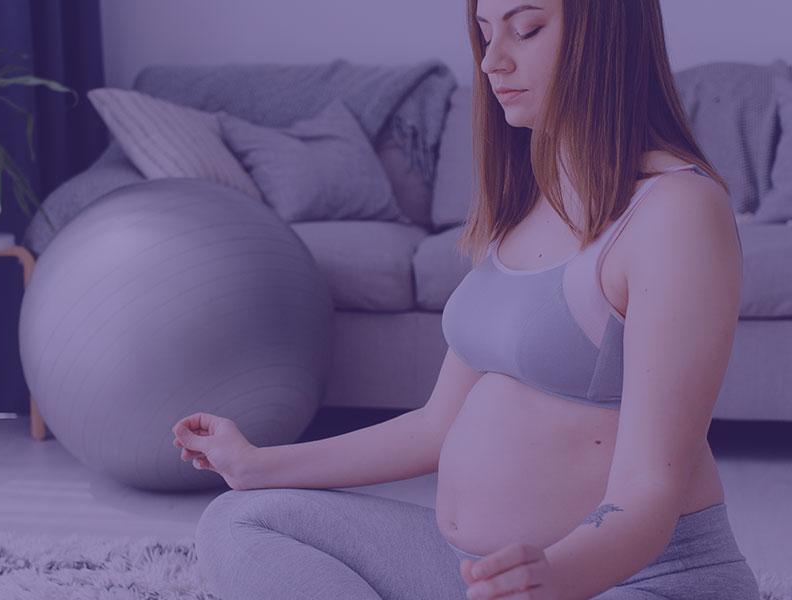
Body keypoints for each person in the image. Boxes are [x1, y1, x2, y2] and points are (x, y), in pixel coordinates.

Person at [172, 0, 762, 598]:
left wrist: (555, 577)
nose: (490, 61)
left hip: (638, 579)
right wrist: (257, 463)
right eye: (484, 34)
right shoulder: (529, 202)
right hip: (475, 574)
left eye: (526, 29)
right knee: (242, 521)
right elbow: (435, 425)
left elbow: (647, 492)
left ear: (606, 33)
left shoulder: (676, 210)